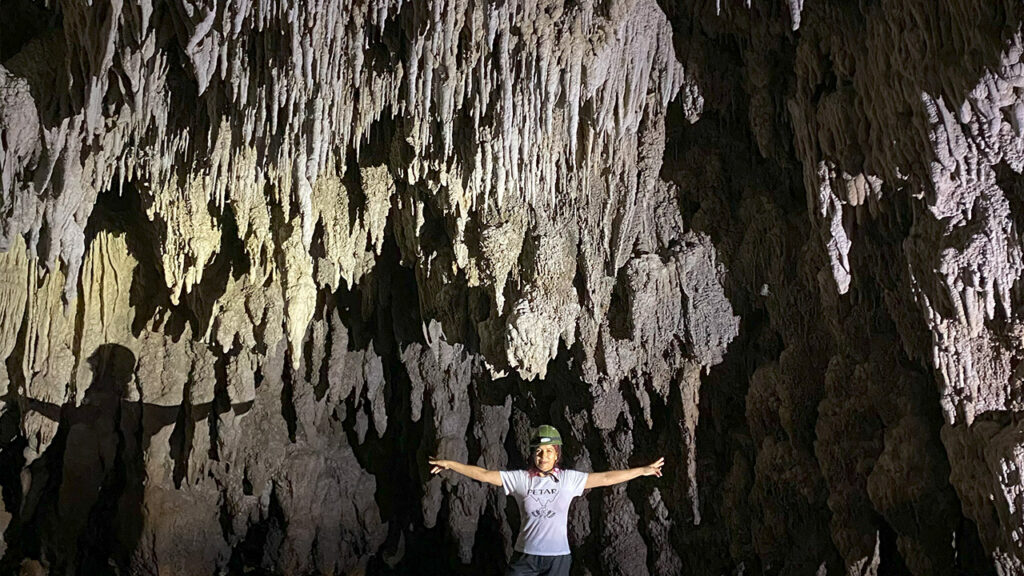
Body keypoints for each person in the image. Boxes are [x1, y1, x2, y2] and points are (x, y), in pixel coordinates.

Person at [429, 424, 664, 576]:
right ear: (533, 454)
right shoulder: (521, 479)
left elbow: (605, 478)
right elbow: (484, 475)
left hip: (558, 558)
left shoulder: (568, 480)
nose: (544, 456)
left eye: (549, 451)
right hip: (526, 556)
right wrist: (451, 464)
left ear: (556, 454)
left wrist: (641, 471)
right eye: (539, 452)